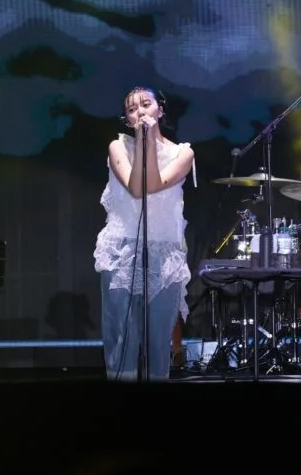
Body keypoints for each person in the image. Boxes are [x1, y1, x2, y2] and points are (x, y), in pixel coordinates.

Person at [94, 86, 195, 381]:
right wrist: (142, 141)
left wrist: (149, 141)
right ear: (127, 120)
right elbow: (137, 189)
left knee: (158, 344)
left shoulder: (183, 153)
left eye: (146, 104)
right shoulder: (118, 147)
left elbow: (152, 184)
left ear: (159, 111)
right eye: (131, 109)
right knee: (121, 340)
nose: (139, 111)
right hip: (122, 251)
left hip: (164, 255)